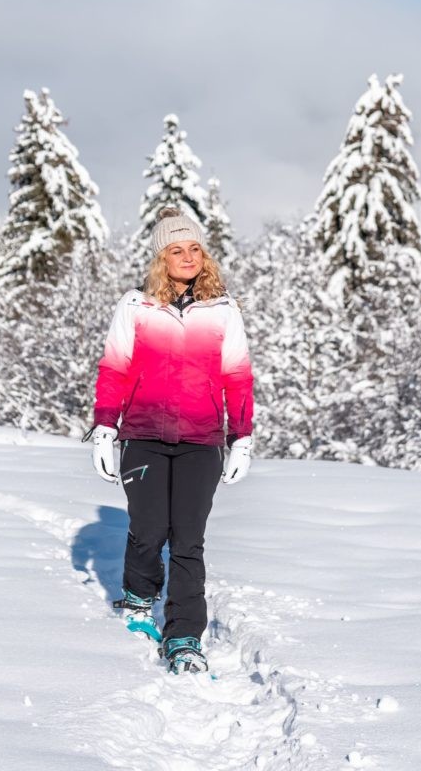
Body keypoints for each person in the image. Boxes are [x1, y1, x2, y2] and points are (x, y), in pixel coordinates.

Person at [85, 207, 254, 674]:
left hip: (202, 440)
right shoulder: (136, 307)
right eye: (176, 249)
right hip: (143, 434)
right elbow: (114, 368)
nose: (186, 256)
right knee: (148, 527)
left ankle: (183, 637)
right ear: (161, 257)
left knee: (188, 539)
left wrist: (241, 438)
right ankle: (140, 593)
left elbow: (237, 378)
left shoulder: (222, 311)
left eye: (194, 248)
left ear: (204, 255)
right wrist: (105, 427)